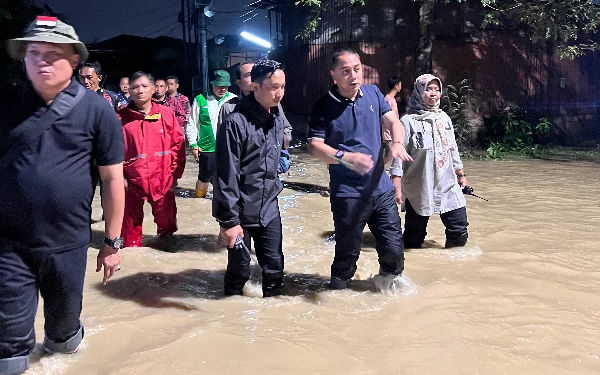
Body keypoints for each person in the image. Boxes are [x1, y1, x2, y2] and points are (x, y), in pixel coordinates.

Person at [1, 16, 125, 375]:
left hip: (68, 244)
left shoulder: (97, 110)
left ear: (74, 60)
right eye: (33, 52)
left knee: (64, 338)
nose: (42, 60)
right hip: (9, 244)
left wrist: (113, 243)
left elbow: (113, 180)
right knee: (7, 347)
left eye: (53, 54)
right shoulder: (6, 105)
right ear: (22, 59)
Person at [307, 49, 413, 290]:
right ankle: (338, 296)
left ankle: (387, 291)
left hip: (381, 189)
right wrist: (346, 158)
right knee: (347, 252)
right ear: (333, 75)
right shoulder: (323, 106)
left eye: (357, 69)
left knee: (394, 249)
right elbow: (314, 147)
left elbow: (394, 122)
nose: (353, 76)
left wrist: (397, 143)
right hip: (348, 194)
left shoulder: (373, 93)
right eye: (346, 71)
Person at [213, 59, 287, 297]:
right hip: (241, 213)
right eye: (274, 87)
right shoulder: (234, 123)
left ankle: (272, 322)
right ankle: (231, 321)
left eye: (283, 86)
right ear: (255, 87)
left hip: (269, 209)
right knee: (239, 271)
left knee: (274, 268)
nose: (279, 94)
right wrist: (229, 222)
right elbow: (226, 176)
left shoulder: (276, 118)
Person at [390, 74, 470, 249]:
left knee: (459, 230)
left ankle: (453, 268)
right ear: (419, 92)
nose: (433, 93)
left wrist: (461, 175)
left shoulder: (444, 119)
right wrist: (396, 182)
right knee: (414, 239)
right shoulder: (408, 121)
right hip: (420, 184)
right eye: (428, 89)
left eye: (437, 89)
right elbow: (398, 151)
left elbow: (452, 150)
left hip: (447, 182)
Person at [117, 72, 186, 248]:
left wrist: (175, 176)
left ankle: (166, 255)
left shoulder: (166, 114)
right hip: (131, 181)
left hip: (162, 178)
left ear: (154, 89)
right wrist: (120, 178)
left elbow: (178, 145)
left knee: (167, 225)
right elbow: (112, 152)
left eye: (144, 86)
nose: (139, 90)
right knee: (130, 232)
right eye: (134, 87)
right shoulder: (119, 118)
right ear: (129, 91)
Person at [218, 61, 293, 174]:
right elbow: (225, 147)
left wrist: (276, 145)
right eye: (248, 75)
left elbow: (286, 128)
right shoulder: (229, 108)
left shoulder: (273, 103)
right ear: (239, 82)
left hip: (270, 168)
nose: (253, 76)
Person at [185, 70, 236, 198]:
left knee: (228, 177)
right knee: (204, 177)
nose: (222, 89)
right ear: (212, 84)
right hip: (207, 147)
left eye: (225, 86)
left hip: (228, 147)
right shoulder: (200, 100)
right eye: (219, 86)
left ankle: (222, 201)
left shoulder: (234, 100)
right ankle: (199, 200)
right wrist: (193, 145)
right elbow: (192, 123)